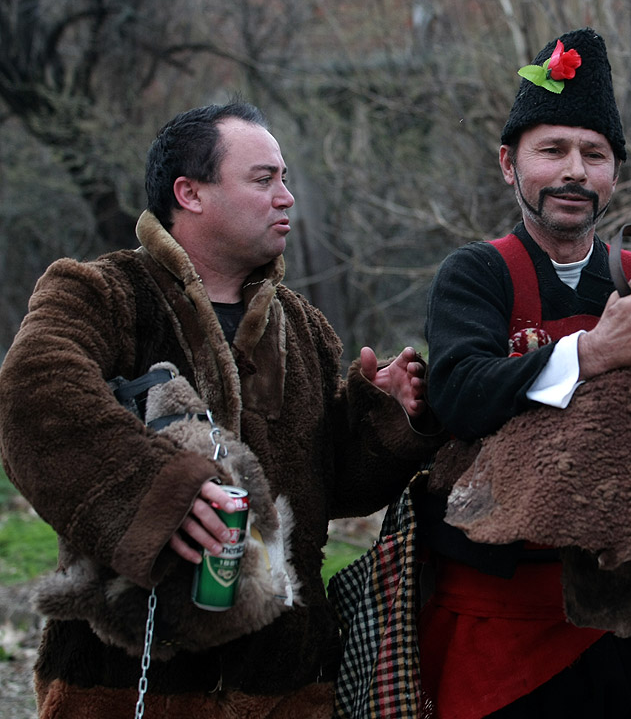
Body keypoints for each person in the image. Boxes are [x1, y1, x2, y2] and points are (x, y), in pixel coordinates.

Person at [0, 101, 440, 718]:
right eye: (263, 179)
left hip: (286, 685)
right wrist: (162, 493)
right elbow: (32, 395)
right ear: (191, 192)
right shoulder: (101, 293)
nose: (286, 197)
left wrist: (381, 418)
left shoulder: (304, 327)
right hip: (124, 683)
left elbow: (327, 487)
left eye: (284, 178)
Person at [419, 28, 631, 717]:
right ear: (508, 164)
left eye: (594, 154)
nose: (575, 172)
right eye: (552, 150)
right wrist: (590, 354)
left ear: (616, 171)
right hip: (505, 618)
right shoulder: (476, 274)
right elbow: (458, 396)